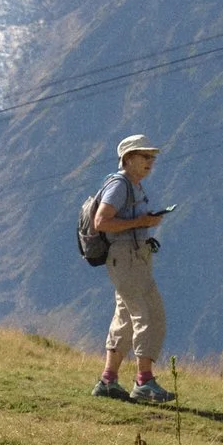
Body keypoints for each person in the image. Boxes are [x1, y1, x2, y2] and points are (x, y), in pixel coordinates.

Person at [93, 130, 174, 403]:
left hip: (133, 258)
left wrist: (144, 221)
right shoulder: (120, 185)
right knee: (148, 315)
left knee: (126, 318)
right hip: (126, 257)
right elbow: (101, 222)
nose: (150, 161)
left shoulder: (132, 186)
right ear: (127, 158)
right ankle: (144, 382)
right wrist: (141, 223)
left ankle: (108, 381)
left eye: (152, 157)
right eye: (145, 156)